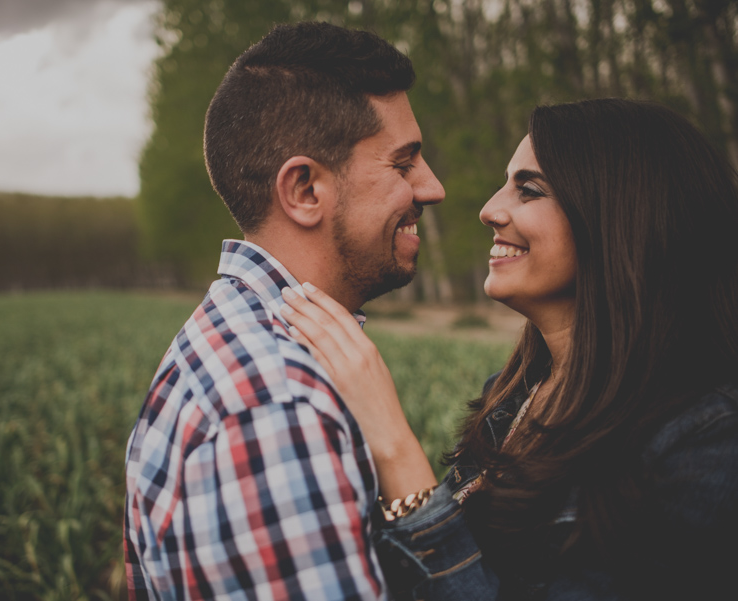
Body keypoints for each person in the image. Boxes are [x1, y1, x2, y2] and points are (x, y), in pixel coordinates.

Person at [280, 98, 738, 599]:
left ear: (621, 217)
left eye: (530, 190)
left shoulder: (705, 443)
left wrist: (394, 446)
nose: (490, 209)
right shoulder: (513, 395)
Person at [123, 21, 445, 600]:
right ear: (304, 190)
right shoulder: (274, 413)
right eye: (403, 164)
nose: (431, 188)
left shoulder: (238, 343)